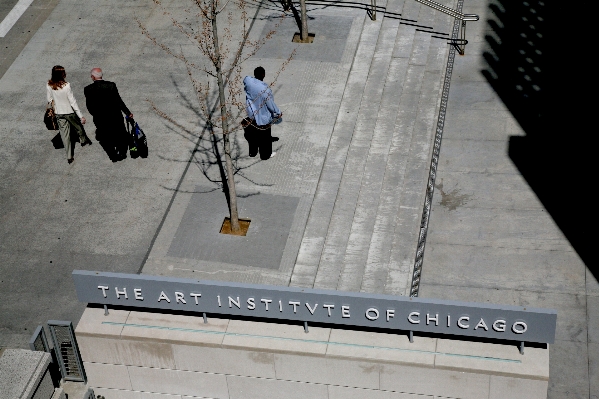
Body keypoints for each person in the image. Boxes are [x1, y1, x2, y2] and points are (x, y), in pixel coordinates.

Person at [84, 68, 133, 162]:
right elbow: (119, 101)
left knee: (106, 138)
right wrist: (127, 112)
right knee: (120, 134)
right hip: (115, 116)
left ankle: (113, 156)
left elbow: (89, 106)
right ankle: (122, 153)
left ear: (93, 77)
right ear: (101, 75)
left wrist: (95, 114)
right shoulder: (111, 85)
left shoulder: (88, 89)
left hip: (100, 118)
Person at [46, 65, 91, 164]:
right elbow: (72, 102)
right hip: (69, 112)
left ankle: (69, 156)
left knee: (64, 135)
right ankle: (83, 140)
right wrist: (81, 116)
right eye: (63, 72)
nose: (65, 73)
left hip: (58, 113)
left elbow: (49, 100)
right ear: (61, 74)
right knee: (78, 126)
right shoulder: (66, 85)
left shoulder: (49, 84)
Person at [243, 66, 282, 160]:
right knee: (265, 135)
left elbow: (246, 79)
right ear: (263, 75)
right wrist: (278, 112)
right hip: (262, 116)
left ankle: (253, 152)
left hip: (251, 113)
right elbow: (270, 104)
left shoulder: (248, 82)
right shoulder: (265, 90)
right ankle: (265, 154)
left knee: (253, 133)